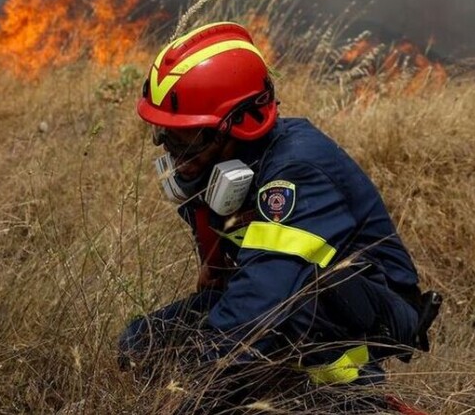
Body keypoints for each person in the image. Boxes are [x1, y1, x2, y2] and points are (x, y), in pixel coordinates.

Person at [118, 22, 439, 412]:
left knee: (292, 317)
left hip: (359, 310)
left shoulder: (296, 173)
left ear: (241, 125)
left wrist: (197, 396)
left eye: (187, 138)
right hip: (281, 293)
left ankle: (353, 400)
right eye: (165, 134)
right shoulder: (215, 169)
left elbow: (254, 312)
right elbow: (228, 281)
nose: (173, 152)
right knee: (140, 344)